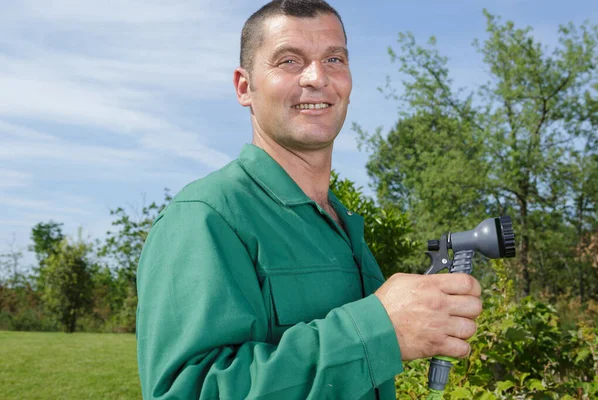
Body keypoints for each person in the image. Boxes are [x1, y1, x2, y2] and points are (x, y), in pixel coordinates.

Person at [136, 1, 483, 399]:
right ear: (244, 87)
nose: (317, 77)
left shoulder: (344, 227)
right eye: (289, 61)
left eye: (334, 59)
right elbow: (190, 391)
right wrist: (379, 330)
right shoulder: (205, 217)